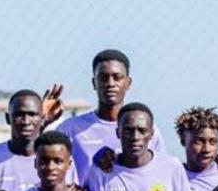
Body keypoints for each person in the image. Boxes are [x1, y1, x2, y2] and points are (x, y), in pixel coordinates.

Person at [50, 50, 165, 181]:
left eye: (117, 77)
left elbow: (159, 173)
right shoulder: (69, 129)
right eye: (103, 78)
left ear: (128, 83)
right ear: (94, 83)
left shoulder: (146, 130)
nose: (110, 84)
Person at [0, 88, 56, 191]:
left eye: (32, 114)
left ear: (42, 119)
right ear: (8, 118)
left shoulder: (56, 162)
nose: (26, 121)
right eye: (19, 114)